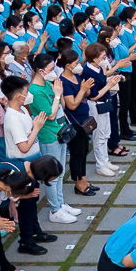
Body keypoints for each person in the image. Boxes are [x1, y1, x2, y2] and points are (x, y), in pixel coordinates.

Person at [29, 54, 85, 223]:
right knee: (51, 175)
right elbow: (51, 115)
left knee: (60, 172)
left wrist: (57, 94)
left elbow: (61, 107)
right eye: (50, 69)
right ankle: (54, 210)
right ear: (40, 71)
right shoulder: (35, 91)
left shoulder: (47, 84)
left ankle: (60, 204)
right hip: (49, 135)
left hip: (60, 132)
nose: (54, 72)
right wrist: (58, 95)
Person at [59, 49, 97, 196]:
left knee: (84, 151)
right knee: (77, 153)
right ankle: (78, 183)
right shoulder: (64, 82)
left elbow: (85, 94)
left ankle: (84, 179)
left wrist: (86, 89)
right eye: (76, 63)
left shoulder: (76, 76)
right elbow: (72, 104)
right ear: (68, 65)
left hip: (84, 120)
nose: (79, 64)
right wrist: (82, 90)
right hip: (74, 123)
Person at [81, 43, 122, 178]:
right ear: (94, 58)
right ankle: (100, 165)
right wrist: (109, 85)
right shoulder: (88, 71)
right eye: (103, 56)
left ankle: (106, 161)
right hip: (96, 104)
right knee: (98, 136)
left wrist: (110, 81)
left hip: (104, 103)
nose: (105, 58)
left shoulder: (98, 68)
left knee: (105, 133)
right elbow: (93, 95)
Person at [2, 76, 45, 162]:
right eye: (26, 92)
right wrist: (36, 128)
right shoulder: (13, 119)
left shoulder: (22, 109)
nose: (29, 94)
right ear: (18, 96)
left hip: (34, 158)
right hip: (23, 164)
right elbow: (24, 148)